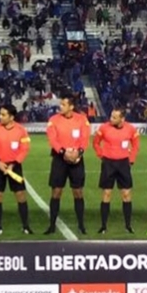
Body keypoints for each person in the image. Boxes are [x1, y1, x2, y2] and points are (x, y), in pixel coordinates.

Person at [44, 94, 90, 235]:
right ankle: (52, 225)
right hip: (59, 159)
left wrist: (79, 153)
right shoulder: (53, 120)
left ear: (71, 106)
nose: (60, 107)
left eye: (63, 104)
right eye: (61, 104)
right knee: (56, 192)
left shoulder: (82, 120)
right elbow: (53, 139)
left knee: (78, 192)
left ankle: (81, 225)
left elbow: (85, 137)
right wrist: (64, 152)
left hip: (77, 159)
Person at [92, 106, 140, 234]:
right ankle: (103, 226)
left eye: (114, 117)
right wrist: (101, 155)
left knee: (126, 194)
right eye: (111, 116)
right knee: (107, 194)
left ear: (122, 119)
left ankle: (128, 226)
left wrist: (131, 159)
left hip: (124, 164)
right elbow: (95, 143)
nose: (111, 119)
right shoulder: (103, 128)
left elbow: (136, 145)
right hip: (108, 163)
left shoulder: (131, 129)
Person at [0, 104, 32, 235]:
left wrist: (14, 163)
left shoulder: (21, 130)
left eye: (3, 115)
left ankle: (26, 225)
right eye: (0, 114)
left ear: (11, 117)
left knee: (20, 195)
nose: (0, 117)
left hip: (14, 167)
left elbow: (25, 149)